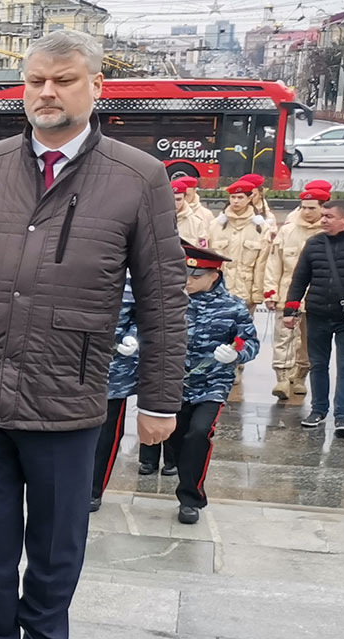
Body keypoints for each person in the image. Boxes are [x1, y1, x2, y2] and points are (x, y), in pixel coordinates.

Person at [0, 29, 185, 639]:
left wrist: (161, 396)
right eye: (36, 80)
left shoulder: (136, 177)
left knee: (55, 548)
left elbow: (162, 296)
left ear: (96, 86)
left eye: (63, 80)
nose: (47, 92)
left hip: (69, 396)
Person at [154, 243, 259, 523]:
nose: (187, 280)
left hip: (212, 383)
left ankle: (191, 498)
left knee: (199, 433)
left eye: (196, 275)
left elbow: (250, 342)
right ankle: (183, 471)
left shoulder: (233, 307)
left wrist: (236, 354)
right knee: (177, 438)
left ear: (214, 275)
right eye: (184, 274)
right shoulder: (171, 302)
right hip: (175, 383)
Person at [282, 196, 344, 434]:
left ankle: (343, 417)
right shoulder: (315, 243)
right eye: (323, 216)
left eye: (329, 216)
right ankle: (318, 410)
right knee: (318, 365)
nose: (323, 220)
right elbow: (300, 278)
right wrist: (290, 309)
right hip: (317, 314)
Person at [262, 180, 331, 400]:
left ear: (323, 208)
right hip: (288, 294)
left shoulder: (329, 233)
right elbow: (274, 263)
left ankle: (300, 376)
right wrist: (270, 291)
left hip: (318, 297)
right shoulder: (288, 230)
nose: (307, 212)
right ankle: (282, 379)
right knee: (283, 339)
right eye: (304, 207)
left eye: (312, 208)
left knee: (309, 342)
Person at [89, 278, 140, 513]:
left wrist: (134, 336)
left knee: (106, 433)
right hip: (68, 366)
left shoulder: (134, 281)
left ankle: (93, 489)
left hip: (116, 370)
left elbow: (149, 316)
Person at [213, 176, 272, 310]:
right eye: (233, 197)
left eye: (240, 197)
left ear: (249, 198)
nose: (236, 201)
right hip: (218, 292)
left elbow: (261, 264)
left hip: (245, 292)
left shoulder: (261, 227)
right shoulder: (216, 225)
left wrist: (257, 294)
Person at [173, 177, 216, 247]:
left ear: (194, 191)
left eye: (188, 195)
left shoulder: (203, 217)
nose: (175, 203)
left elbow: (207, 245)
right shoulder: (159, 220)